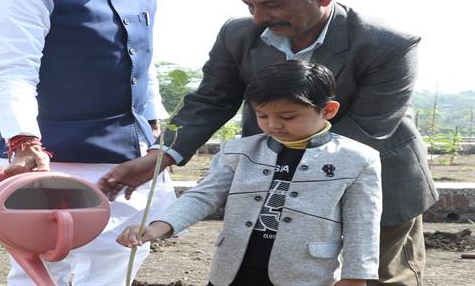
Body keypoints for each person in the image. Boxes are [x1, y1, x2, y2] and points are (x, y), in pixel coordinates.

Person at [101, 0, 438, 285]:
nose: (259, 17)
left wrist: (274, 179)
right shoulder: (239, 35)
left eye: (272, 5)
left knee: (378, 278)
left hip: (375, 183)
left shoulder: (386, 44)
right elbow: (210, 100)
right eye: (250, 6)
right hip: (270, 180)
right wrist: (163, 155)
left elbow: (368, 128)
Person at [0, 0, 176, 286]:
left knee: (121, 256)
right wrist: (24, 141)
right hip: (54, 155)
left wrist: (155, 129)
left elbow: (143, 63)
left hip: (129, 155)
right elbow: (15, 75)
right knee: (43, 260)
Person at [118, 60, 382, 286]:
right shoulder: (239, 152)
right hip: (233, 269)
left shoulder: (357, 159)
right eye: (262, 115)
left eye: (288, 116)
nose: (274, 124)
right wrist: (159, 227)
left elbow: (362, 223)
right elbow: (203, 196)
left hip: (304, 274)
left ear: (328, 110)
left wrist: (355, 276)